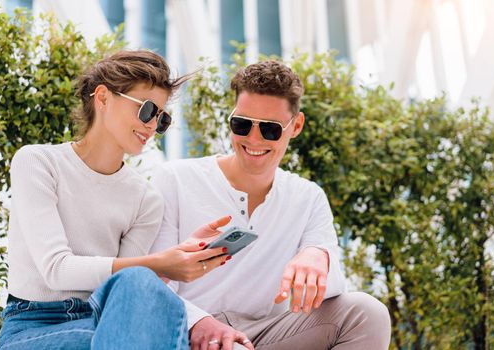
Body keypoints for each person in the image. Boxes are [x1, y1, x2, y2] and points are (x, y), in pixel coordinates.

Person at [0, 50, 232, 350]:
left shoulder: (145, 200)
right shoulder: (38, 162)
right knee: (134, 303)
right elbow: (57, 270)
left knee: (140, 289)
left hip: (104, 317)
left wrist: (174, 259)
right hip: (33, 326)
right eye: (147, 110)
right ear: (103, 98)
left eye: (161, 119)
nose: (152, 125)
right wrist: (159, 264)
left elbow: (121, 286)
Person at [151, 60, 392, 350]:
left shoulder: (308, 197)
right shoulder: (175, 179)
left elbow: (331, 292)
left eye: (270, 130)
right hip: (188, 331)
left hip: (267, 335)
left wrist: (319, 255)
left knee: (368, 313)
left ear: (296, 126)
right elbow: (156, 284)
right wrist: (197, 322)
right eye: (241, 124)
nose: (253, 139)